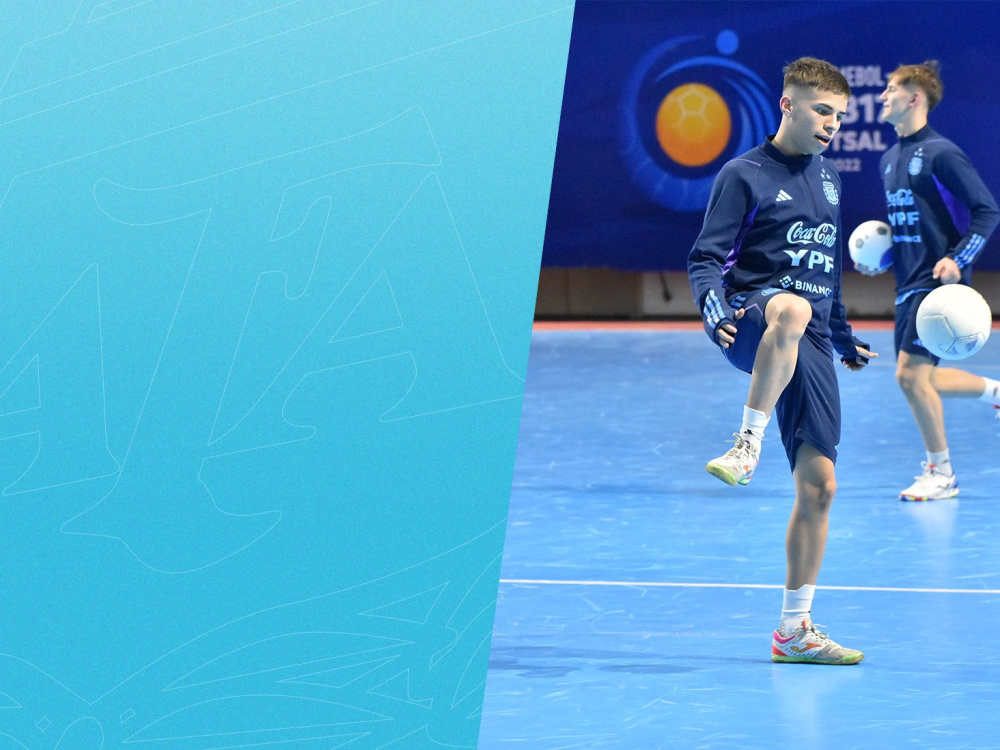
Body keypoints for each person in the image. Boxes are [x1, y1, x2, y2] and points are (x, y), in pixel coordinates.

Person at [688, 57, 875, 665]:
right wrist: (714, 312)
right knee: (790, 309)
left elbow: (828, 272)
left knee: (820, 487)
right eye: (823, 111)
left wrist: (842, 338)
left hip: (810, 337)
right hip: (753, 320)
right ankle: (746, 444)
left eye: (840, 116)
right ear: (787, 105)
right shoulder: (743, 174)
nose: (832, 124)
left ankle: (794, 631)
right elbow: (705, 259)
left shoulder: (830, 178)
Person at [857, 61, 1000, 501]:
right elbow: (911, 225)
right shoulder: (888, 159)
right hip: (907, 283)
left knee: (910, 375)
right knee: (917, 378)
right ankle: (996, 392)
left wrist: (959, 259)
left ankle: (942, 474)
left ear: (915, 97)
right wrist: (883, 258)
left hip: (939, 289)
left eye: (891, 89)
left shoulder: (941, 153)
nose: (883, 96)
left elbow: (987, 211)